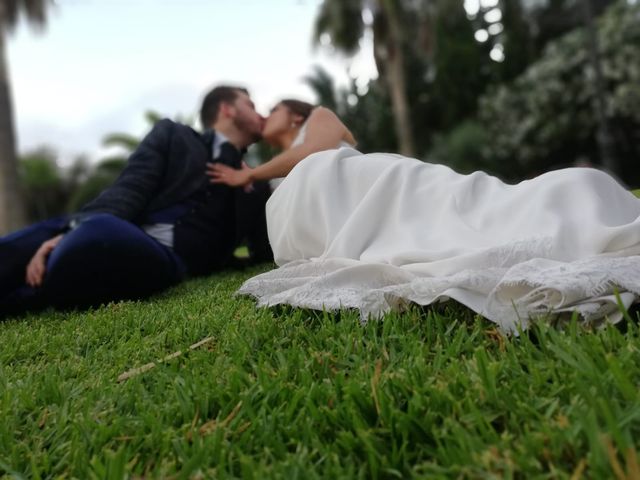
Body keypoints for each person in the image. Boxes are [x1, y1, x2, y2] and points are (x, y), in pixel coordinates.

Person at [210, 99, 640, 334]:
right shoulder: (275, 172)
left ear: (296, 115)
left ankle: (561, 207)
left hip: (366, 186)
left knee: (457, 212)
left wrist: (247, 173)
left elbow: (315, 151)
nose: (264, 111)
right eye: (250, 104)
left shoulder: (319, 119)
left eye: (271, 107)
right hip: (323, 216)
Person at [0, 85, 272, 318]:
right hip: (118, 223)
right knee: (21, 249)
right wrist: (68, 231)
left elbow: (265, 250)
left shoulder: (257, 184)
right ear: (228, 110)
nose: (261, 114)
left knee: (94, 239)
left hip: (160, 256)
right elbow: (131, 188)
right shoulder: (174, 136)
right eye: (250, 105)